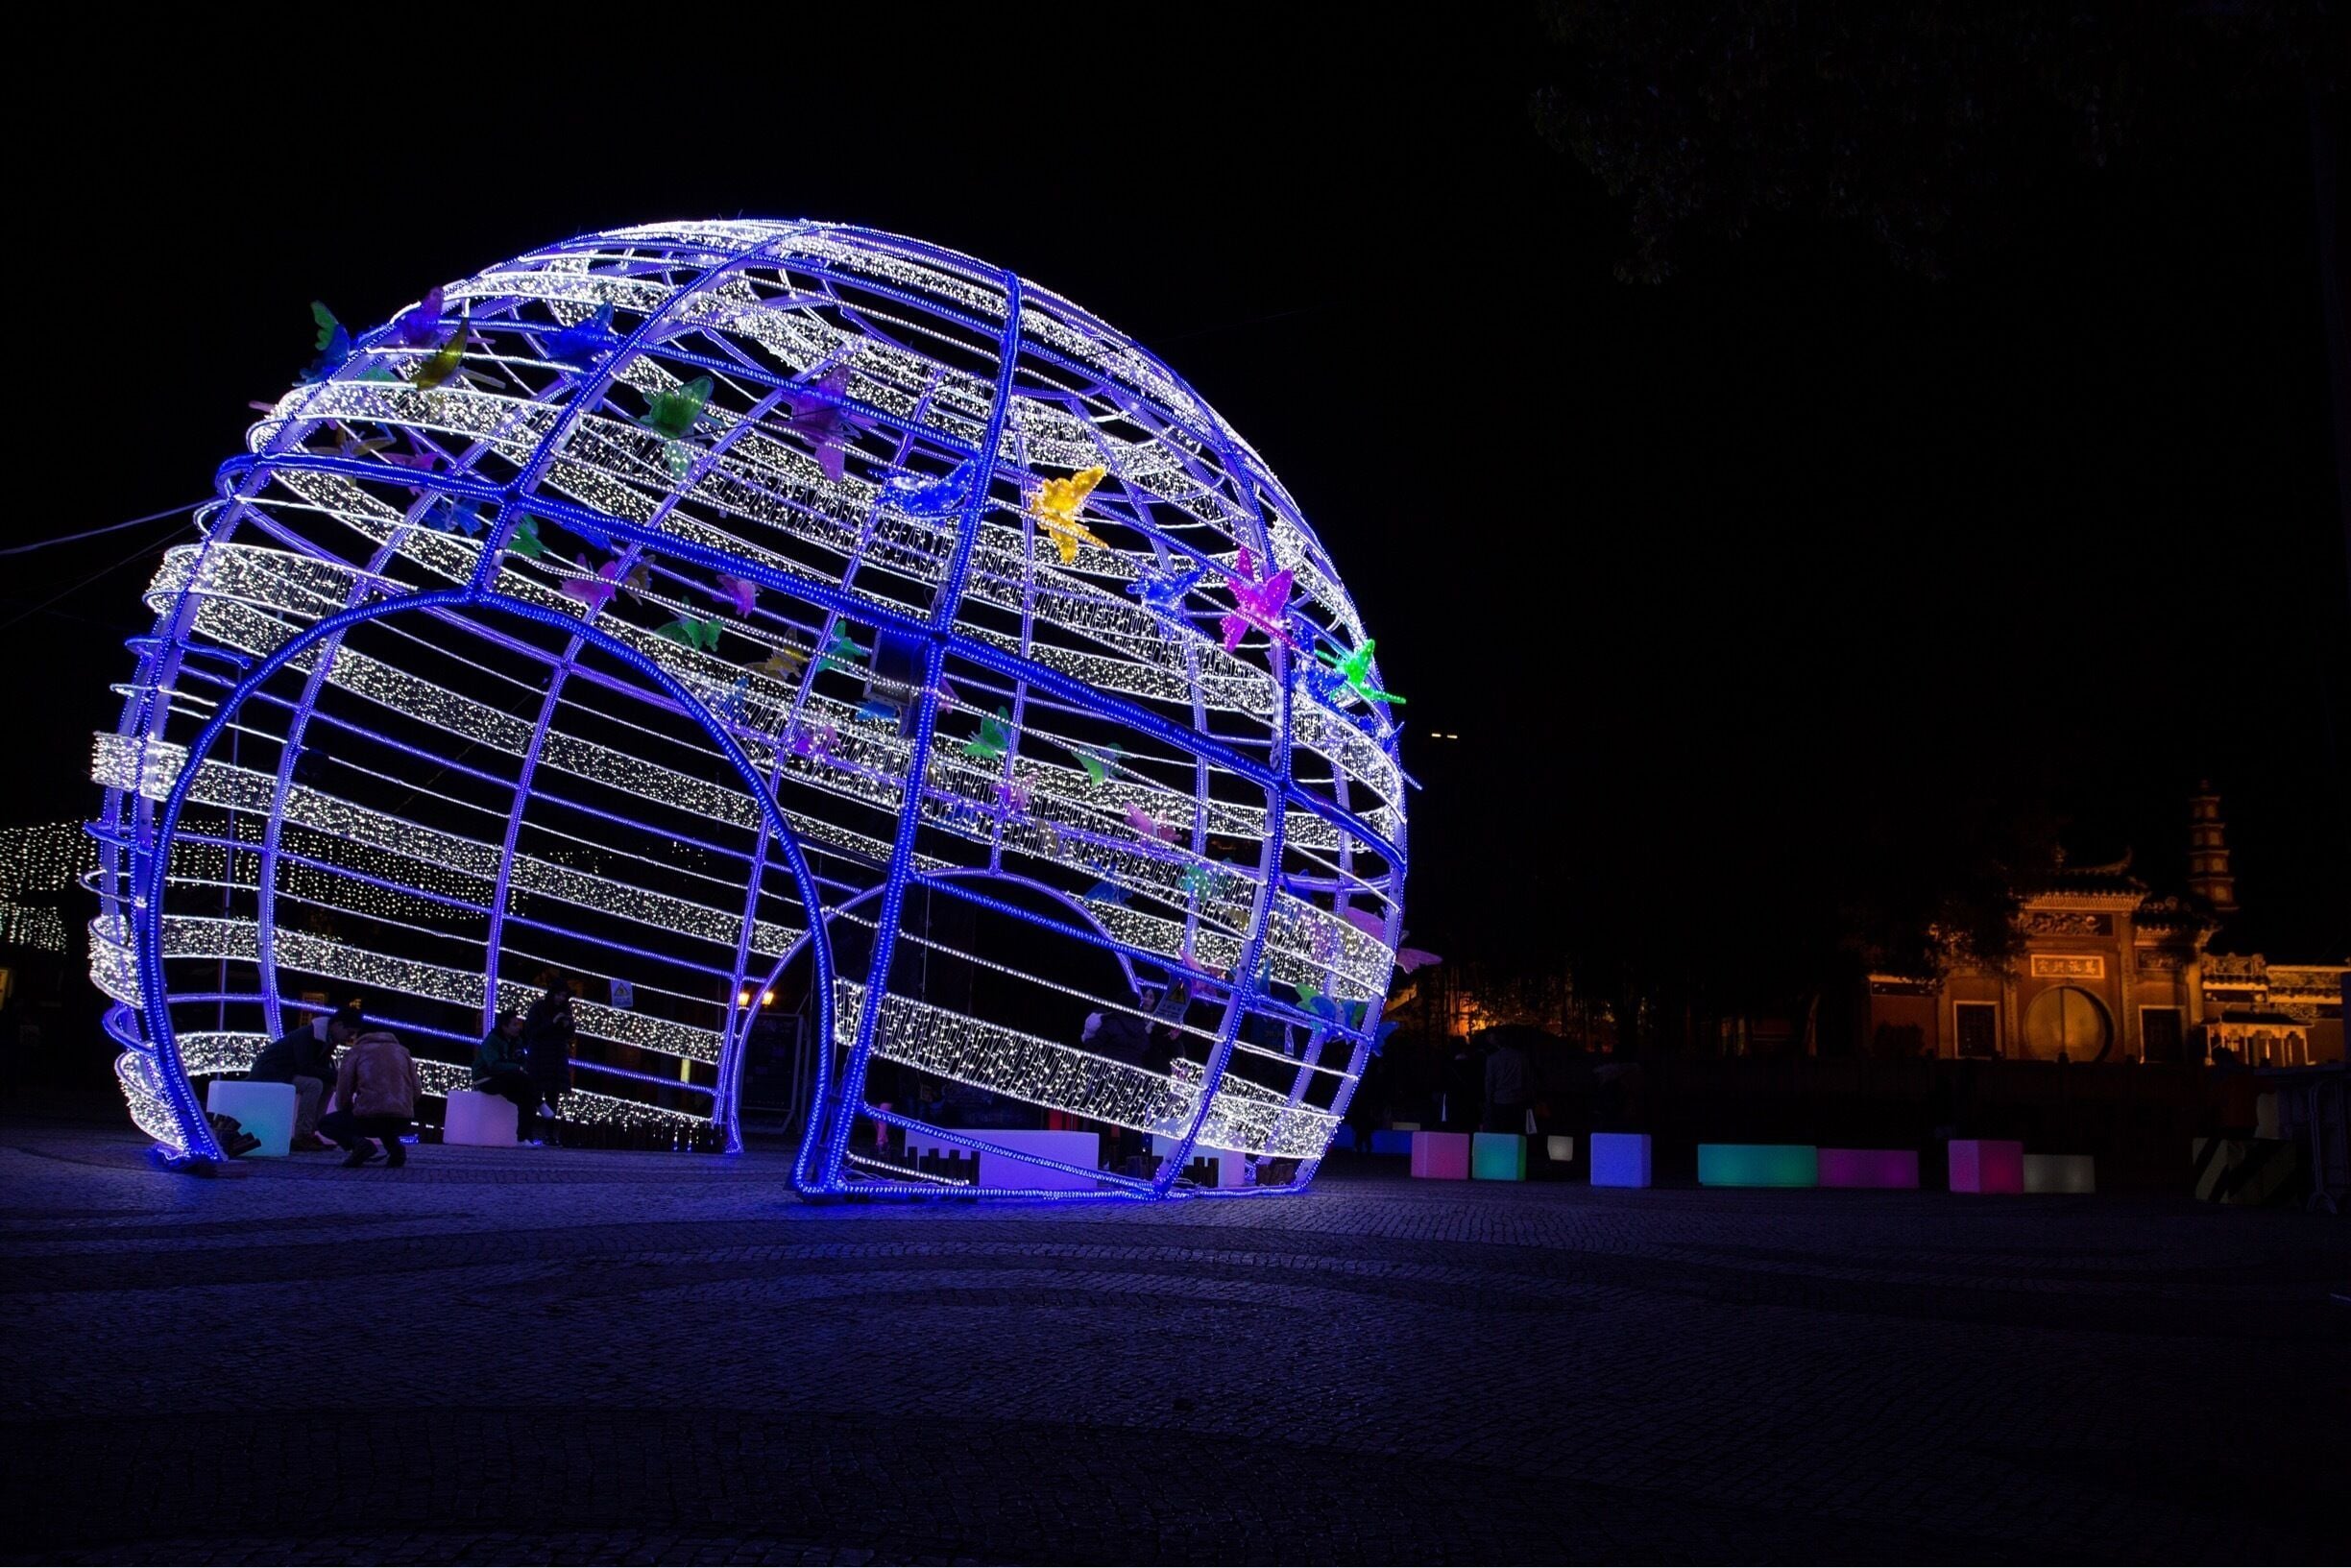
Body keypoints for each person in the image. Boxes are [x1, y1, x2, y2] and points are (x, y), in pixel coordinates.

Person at [250, 1001, 363, 1151]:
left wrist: (337, 1078)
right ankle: (302, 1134)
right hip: (271, 1073)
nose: (350, 1038)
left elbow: (317, 1068)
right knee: (314, 1084)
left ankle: (311, 1131)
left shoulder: (326, 1038)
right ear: (338, 1025)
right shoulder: (308, 1035)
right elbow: (305, 1067)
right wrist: (340, 1077)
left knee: (327, 1086)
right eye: (349, 1033)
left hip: (286, 1072)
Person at [320, 1027, 421, 1168]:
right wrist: (404, 1107)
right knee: (386, 1115)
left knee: (325, 1123)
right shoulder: (402, 1052)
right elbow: (416, 1089)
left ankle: (359, 1144)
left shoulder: (356, 1052)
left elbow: (344, 1090)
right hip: (403, 1120)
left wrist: (346, 1111)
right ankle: (395, 1149)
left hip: (369, 1119)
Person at [473, 1009, 540, 1142]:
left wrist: (521, 1067)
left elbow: (523, 1061)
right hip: (486, 1079)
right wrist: (517, 1068)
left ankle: (524, 1138)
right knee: (520, 1078)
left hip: (508, 1077)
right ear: (504, 1026)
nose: (518, 1028)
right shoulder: (492, 1040)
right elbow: (494, 1065)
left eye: (518, 1024)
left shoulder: (517, 1041)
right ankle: (540, 1102)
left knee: (526, 1098)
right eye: (514, 1025)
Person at [521, 983, 577, 1144]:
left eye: (564, 996)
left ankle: (549, 1134)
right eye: (558, 995)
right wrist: (552, 1022)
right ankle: (528, 1133)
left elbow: (569, 1034)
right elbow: (531, 1032)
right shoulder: (539, 1007)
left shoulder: (565, 1009)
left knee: (553, 1096)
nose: (561, 999)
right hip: (540, 1055)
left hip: (556, 1057)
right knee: (534, 1094)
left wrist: (568, 1027)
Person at [1483, 1032, 1531, 1134]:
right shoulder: (1521, 1057)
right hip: (1518, 1099)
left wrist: (1488, 1100)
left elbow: (1490, 1081)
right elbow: (1527, 1078)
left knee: (1501, 1131)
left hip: (1500, 1100)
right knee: (1517, 1130)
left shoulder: (1492, 1059)